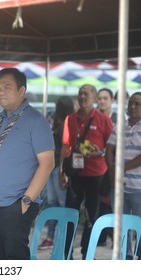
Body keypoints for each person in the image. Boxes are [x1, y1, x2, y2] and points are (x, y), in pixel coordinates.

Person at [0, 68, 55, 260]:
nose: (1, 92)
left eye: (7, 87)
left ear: (22, 91)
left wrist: (27, 200)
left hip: (15, 203)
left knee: (14, 257)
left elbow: (47, 164)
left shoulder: (36, 120)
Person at [60, 84, 113, 260]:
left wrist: (101, 152)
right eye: (80, 93)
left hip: (96, 175)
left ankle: (87, 253)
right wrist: (61, 172)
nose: (83, 97)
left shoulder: (103, 120)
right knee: (70, 214)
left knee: (92, 216)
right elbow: (65, 147)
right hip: (75, 174)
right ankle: (67, 253)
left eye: (87, 94)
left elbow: (112, 147)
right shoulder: (70, 119)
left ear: (94, 97)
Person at [106, 92, 141, 259]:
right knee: (121, 224)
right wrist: (113, 174)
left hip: (138, 188)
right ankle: (126, 257)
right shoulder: (120, 125)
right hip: (119, 186)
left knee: (139, 225)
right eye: (131, 103)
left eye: (137, 103)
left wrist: (121, 168)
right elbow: (109, 149)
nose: (133, 106)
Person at [38, 96, 74, 250]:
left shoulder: (67, 122)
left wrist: (61, 170)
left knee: (59, 203)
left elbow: (66, 148)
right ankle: (52, 236)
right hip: (51, 165)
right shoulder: (56, 120)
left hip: (58, 166)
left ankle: (59, 236)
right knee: (53, 202)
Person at [96, 88, 116, 246]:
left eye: (105, 98)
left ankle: (114, 236)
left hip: (112, 169)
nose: (102, 101)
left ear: (112, 100)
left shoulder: (118, 119)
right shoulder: (93, 118)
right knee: (100, 203)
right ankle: (102, 236)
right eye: (99, 98)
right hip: (96, 170)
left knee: (111, 203)